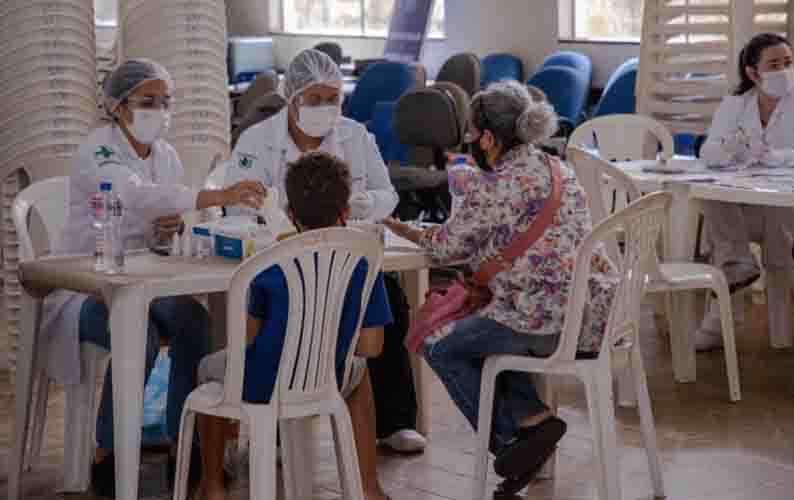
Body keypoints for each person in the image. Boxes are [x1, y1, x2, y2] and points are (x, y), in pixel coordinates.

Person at [32, 59, 267, 497]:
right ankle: (109, 451)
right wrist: (216, 195)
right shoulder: (97, 150)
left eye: (164, 102)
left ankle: (188, 443)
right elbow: (132, 196)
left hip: (142, 279)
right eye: (147, 102)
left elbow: (160, 217)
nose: (158, 111)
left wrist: (170, 229)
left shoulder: (167, 156)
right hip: (85, 284)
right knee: (134, 333)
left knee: (194, 322)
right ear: (119, 107)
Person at [383, 81, 619, 496]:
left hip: (542, 321)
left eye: (473, 133)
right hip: (592, 313)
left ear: (488, 138)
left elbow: (447, 248)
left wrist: (405, 229)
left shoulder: (493, 186)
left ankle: (511, 442)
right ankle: (533, 419)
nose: (471, 141)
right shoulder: (556, 166)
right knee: (480, 333)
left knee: (438, 341)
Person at [226, 48, 427, 453]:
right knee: (283, 313)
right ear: (292, 98)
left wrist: (359, 204)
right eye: (313, 99)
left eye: (332, 98)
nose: (324, 108)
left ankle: (394, 422)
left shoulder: (355, 135)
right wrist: (288, 206)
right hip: (283, 261)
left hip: (348, 254)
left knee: (390, 301)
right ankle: (279, 430)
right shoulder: (257, 140)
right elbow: (235, 205)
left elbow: (387, 194)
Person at [195, 152, 393, 500]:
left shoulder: (267, 266)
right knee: (359, 375)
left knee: (208, 367)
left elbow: (251, 341)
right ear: (346, 211)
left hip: (263, 383)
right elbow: (372, 347)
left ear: (290, 215)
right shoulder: (364, 260)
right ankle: (368, 487)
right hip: (327, 379)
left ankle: (212, 484)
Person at [696, 33, 794, 350]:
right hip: (744, 207)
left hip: (789, 208)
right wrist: (732, 146)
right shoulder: (735, 104)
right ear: (753, 73)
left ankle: (730, 300)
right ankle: (739, 263)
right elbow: (709, 154)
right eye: (774, 64)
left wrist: (774, 158)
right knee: (712, 195)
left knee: (736, 236)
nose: (783, 70)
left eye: (787, 62)